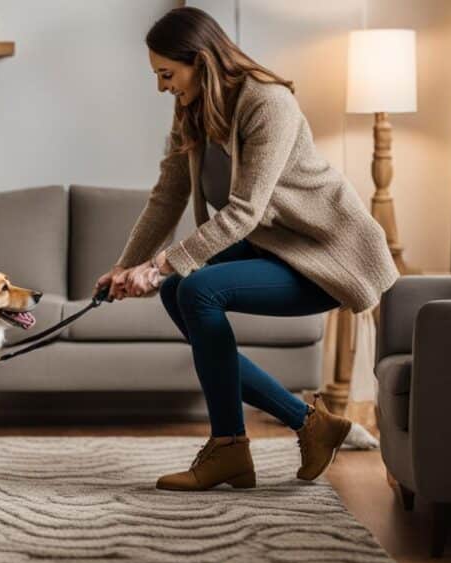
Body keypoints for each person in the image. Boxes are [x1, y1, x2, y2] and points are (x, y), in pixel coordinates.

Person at [93, 7, 399, 491]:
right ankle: (304, 425)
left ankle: (229, 447)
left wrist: (160, 266)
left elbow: (244, 212)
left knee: (194, 290)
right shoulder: (190, 110)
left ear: (202, 61)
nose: (161, 87)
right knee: (179, 291)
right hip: (274, 247)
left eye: (167, 74)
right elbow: (168, 194)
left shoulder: (267, 103)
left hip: (327, 256)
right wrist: (126, 265)